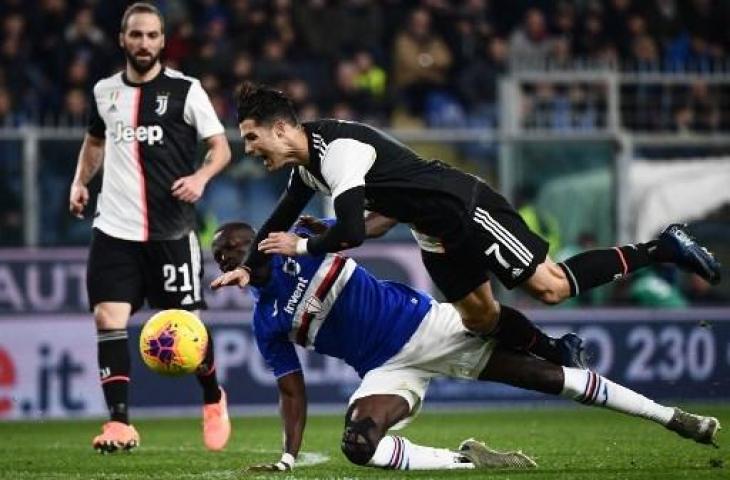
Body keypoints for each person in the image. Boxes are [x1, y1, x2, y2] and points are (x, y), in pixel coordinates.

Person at [231, 82, 721, 372]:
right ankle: (558, 350)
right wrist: (248, 268)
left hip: (464, 207)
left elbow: (353, 234)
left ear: (280, 128)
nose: (250, 149)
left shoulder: (338, 151)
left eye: (252, 138)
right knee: (479, 320)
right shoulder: (306, 168)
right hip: (432, 229)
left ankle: (662, 247)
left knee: (549, 287)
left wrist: (305, 243)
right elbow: (282, 219)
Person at [210, 219, 720, 472]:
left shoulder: (302, 237)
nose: (231, 253)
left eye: (236, 243)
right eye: (221, 253)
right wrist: (287, 457)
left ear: (257, 239)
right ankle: (470, 461)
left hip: (433, 327)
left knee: (552, 379)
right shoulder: (265, 320)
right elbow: (292, 390)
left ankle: (675, 418)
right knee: (358, 447)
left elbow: (357, 228)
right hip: (387, 369)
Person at [68, 2, 232, 453]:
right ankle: (119, 423)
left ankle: (213, 396)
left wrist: (200, 177)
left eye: (152, 35)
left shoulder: (186, 89)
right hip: (114, 230)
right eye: (136, 35)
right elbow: (96, 140)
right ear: (122, 39)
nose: (144, 43)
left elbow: (220, 148)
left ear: (163, 40)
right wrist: (81, 182)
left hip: (171, 233)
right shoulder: (104, 91)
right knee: (108, 317)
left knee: (188, 333)